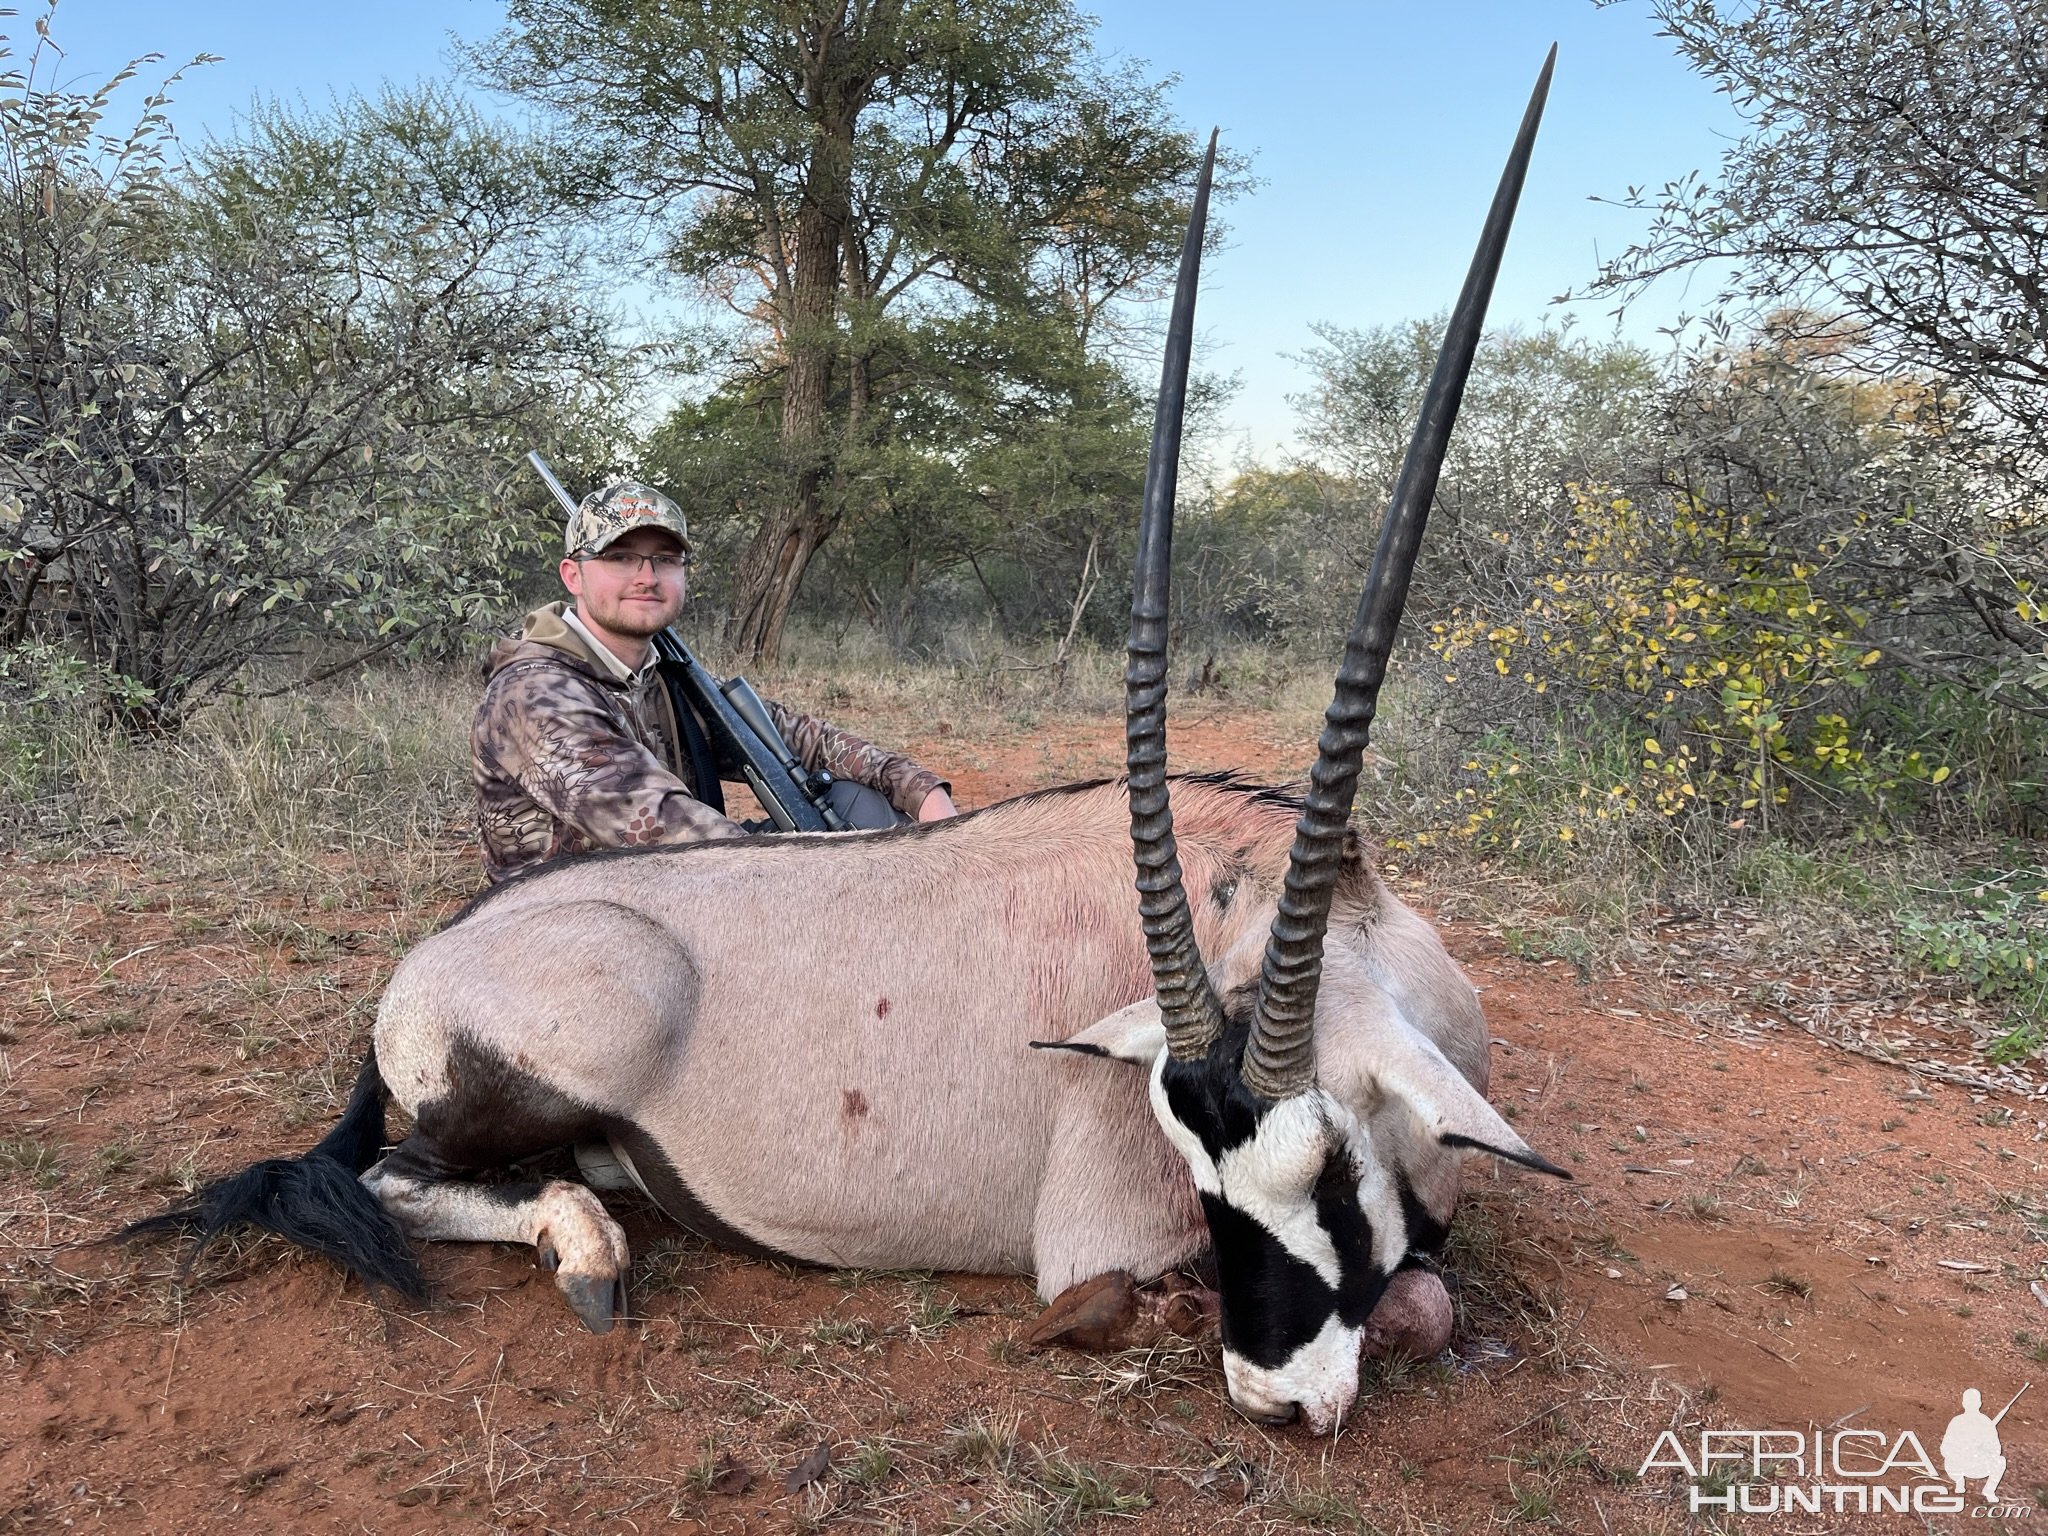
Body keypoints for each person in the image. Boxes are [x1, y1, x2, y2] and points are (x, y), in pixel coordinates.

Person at [474, 480, 956, 883]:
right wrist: (822, 873)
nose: (646, 576)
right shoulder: (532, 694)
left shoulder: (659, 674)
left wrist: (923, 791)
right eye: (620, 557)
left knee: (860, 805)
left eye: (664, 559)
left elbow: (803, 739)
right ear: (572, 576)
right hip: (575, 917)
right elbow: (658, 827)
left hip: (660, 883)